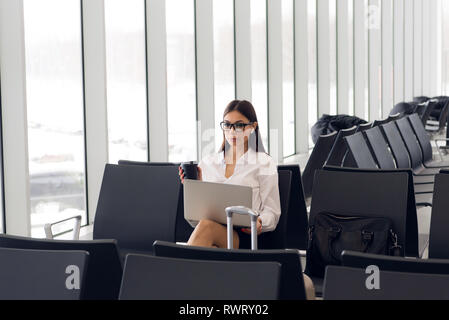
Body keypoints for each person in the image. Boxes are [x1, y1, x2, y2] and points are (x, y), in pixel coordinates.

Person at [179, 99, 316, 300]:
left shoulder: (263, 163)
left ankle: (175, 284)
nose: (233, 131)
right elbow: (195, 220)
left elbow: (272, 212)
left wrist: (260, 222)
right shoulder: (207, 164)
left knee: (206, 232)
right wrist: (194, 188)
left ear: (252, 127)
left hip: (245, 237)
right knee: (206, 229)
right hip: (211, 234)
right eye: (227, 125)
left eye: (240, 125)